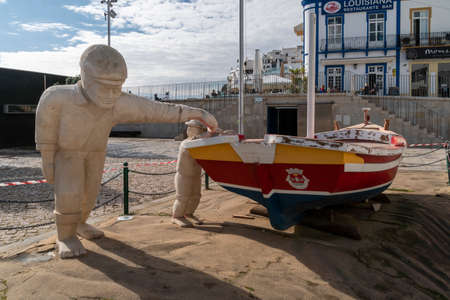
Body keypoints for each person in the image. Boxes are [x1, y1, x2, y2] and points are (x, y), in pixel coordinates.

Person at [35, 45, 218, 258]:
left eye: (117, 87)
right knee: (68, 193)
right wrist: (46, 158)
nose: (112, 95)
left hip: (96, 153)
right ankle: (65, 236)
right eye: (104, 87)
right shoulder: (57, 97)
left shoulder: (119, 102)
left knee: (90, 195)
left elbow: (158, 110)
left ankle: (80, 224)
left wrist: (198, 113)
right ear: (85, 76)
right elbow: (45, 126)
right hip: (68, 152)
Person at [172, 120, 206, 227]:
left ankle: (189, 214)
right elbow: (193, 143)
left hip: (195, 175)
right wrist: (208, 134)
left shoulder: (200, 143)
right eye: (195, 128)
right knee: (183, 197)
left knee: (196, 196)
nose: (197, 131)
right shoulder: (186, 143)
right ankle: (177, 216)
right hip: (184, 175)